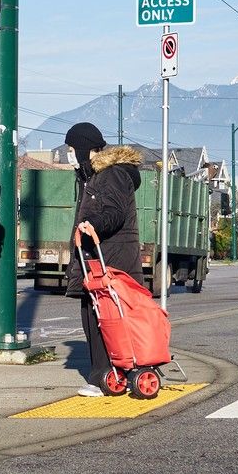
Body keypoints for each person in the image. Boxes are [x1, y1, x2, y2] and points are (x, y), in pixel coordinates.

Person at [63, 122, 144, 396]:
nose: (69, 155)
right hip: (97, 259)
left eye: (72, 149)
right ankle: (106, 373)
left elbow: (114, 212)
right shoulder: (92, 177)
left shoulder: (113, 175)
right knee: (94, 316)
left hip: (112, 259)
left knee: (107, 318)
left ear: (85, 149)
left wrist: (91, 223)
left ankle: (108, 375)